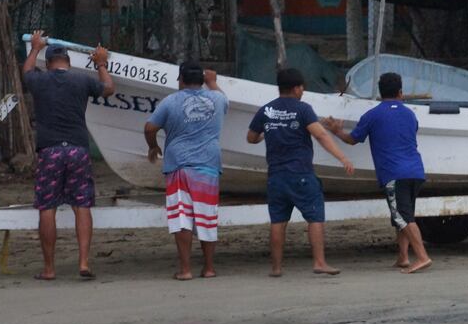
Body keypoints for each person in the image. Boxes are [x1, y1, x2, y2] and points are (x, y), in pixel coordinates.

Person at [22, 31, 114, 280]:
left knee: (47, 208)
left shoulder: (39, 81)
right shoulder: (81, 80)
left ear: (49, 62)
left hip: (50, 150)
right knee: (82, 205)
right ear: (69, 62)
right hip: (77, 149)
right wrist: (101, 63)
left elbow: (27, 72)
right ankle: (84, 263)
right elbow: (108, 89)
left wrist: (34, 48)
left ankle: (49, 269)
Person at [247, 68, 354, 277]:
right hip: (301, 173)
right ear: (296, 88)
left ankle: (276, 268)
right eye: (302, 87)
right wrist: (342, 157)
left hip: (276, 176)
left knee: (278, 221)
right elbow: (321, 135)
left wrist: (264, 136)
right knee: (315, 217)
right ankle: (320, 262)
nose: (303, 91)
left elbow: (250, 137)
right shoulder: (303, 109)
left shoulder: (266, 110)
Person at [323, 72, 432, 274]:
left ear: (381, 94)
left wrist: (336, 130)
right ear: (401, 93)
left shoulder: (372, 115)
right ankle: (404, 257)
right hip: (416, 171)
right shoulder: (410, 114)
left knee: (403, 217)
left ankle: (422, 257)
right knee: (403, 216)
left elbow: (353, 140)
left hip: (394, 173)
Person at [144, 62, 228, 280]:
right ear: (201, 80)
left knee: (182, 217)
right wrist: (212, 81)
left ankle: (186, 270)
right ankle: (209, 268)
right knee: (207, 217)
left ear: (180, 79)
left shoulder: (170, 101)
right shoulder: (218, 99)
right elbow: (222, 96)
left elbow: (150, 127)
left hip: (179, 165)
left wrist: (153, 146)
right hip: (208, 165)